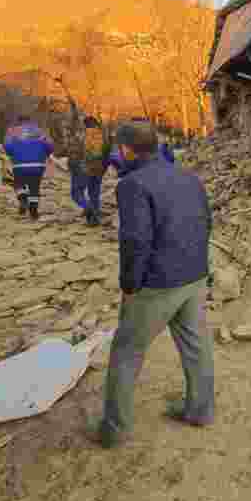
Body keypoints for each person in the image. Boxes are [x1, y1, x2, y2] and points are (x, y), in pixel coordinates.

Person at [94, 121, 214, 449]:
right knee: (196, 347)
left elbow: (135, 240)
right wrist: (202, 269)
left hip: (158, 284)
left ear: (126, 150)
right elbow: (206, 221)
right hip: (194, 276)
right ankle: (200, 411)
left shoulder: (132, 184)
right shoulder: (188, 176)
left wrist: (129, 284)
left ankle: (114, 431)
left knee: (126, 353)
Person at [67, 103, 110, 226]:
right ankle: (94, 219)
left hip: (82, 168)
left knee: (76, 193)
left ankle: (87, 208)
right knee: (94, 193)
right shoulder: (103, 137)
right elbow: (108, 154)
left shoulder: (80, 136)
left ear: (85, 125)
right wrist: (104, 168)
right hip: (98, 169)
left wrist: (72, 167)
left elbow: (73, 153)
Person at [3, 116, 54, 220]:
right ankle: (33, 210)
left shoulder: (12, 131)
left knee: (19, 184)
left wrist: (13, 153)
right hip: (38, 164)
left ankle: (23, 199)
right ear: (30, 121)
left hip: (20, 164)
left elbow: (7, 147)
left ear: (18, 121)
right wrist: (44, 154)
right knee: (34, 187)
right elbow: (50, 146)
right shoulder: (40, 131)